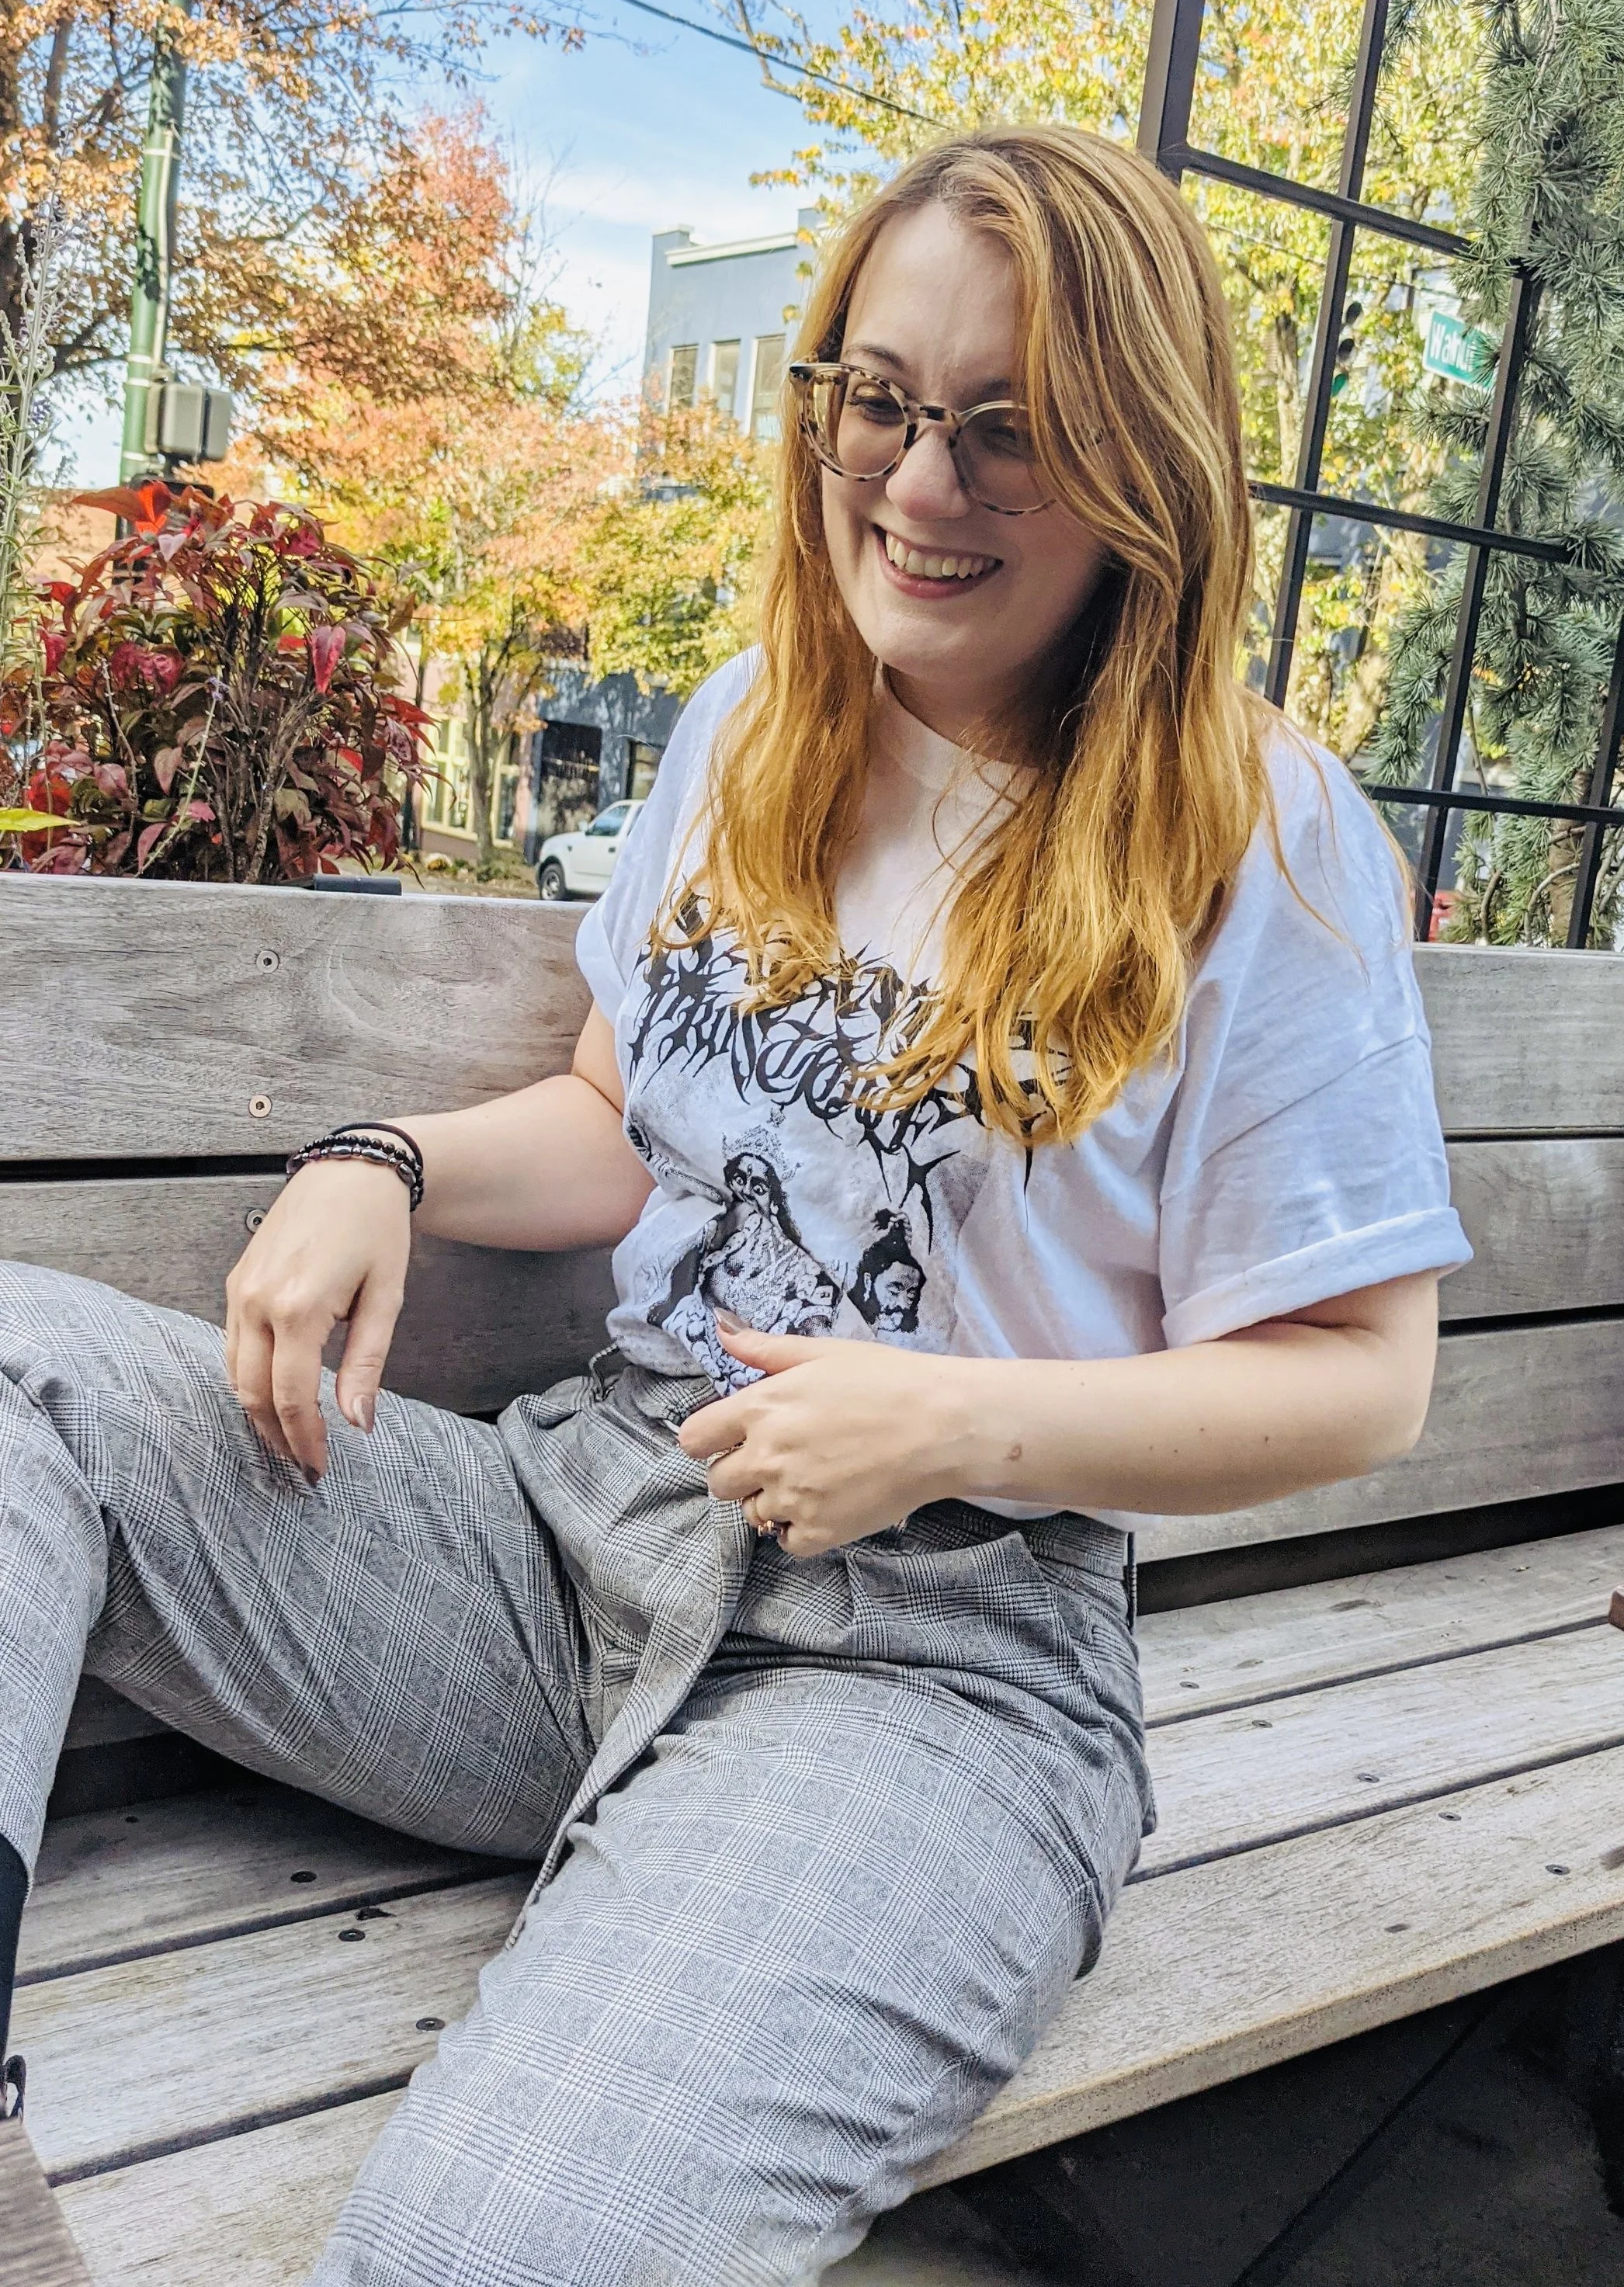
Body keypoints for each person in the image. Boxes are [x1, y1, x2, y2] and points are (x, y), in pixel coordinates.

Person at [0, 124, 1470, 2285]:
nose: (917, 483)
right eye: (877, 402)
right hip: (563, 1537)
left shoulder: (1256, 835)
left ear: (1139, 462)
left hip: (934, 1672)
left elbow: (1363, 1378)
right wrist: (375, 1161)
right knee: (19, 1368)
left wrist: (962, 1420)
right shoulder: (746, 732)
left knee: (489, 2251)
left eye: (1004, 430)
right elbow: (624, 1111)